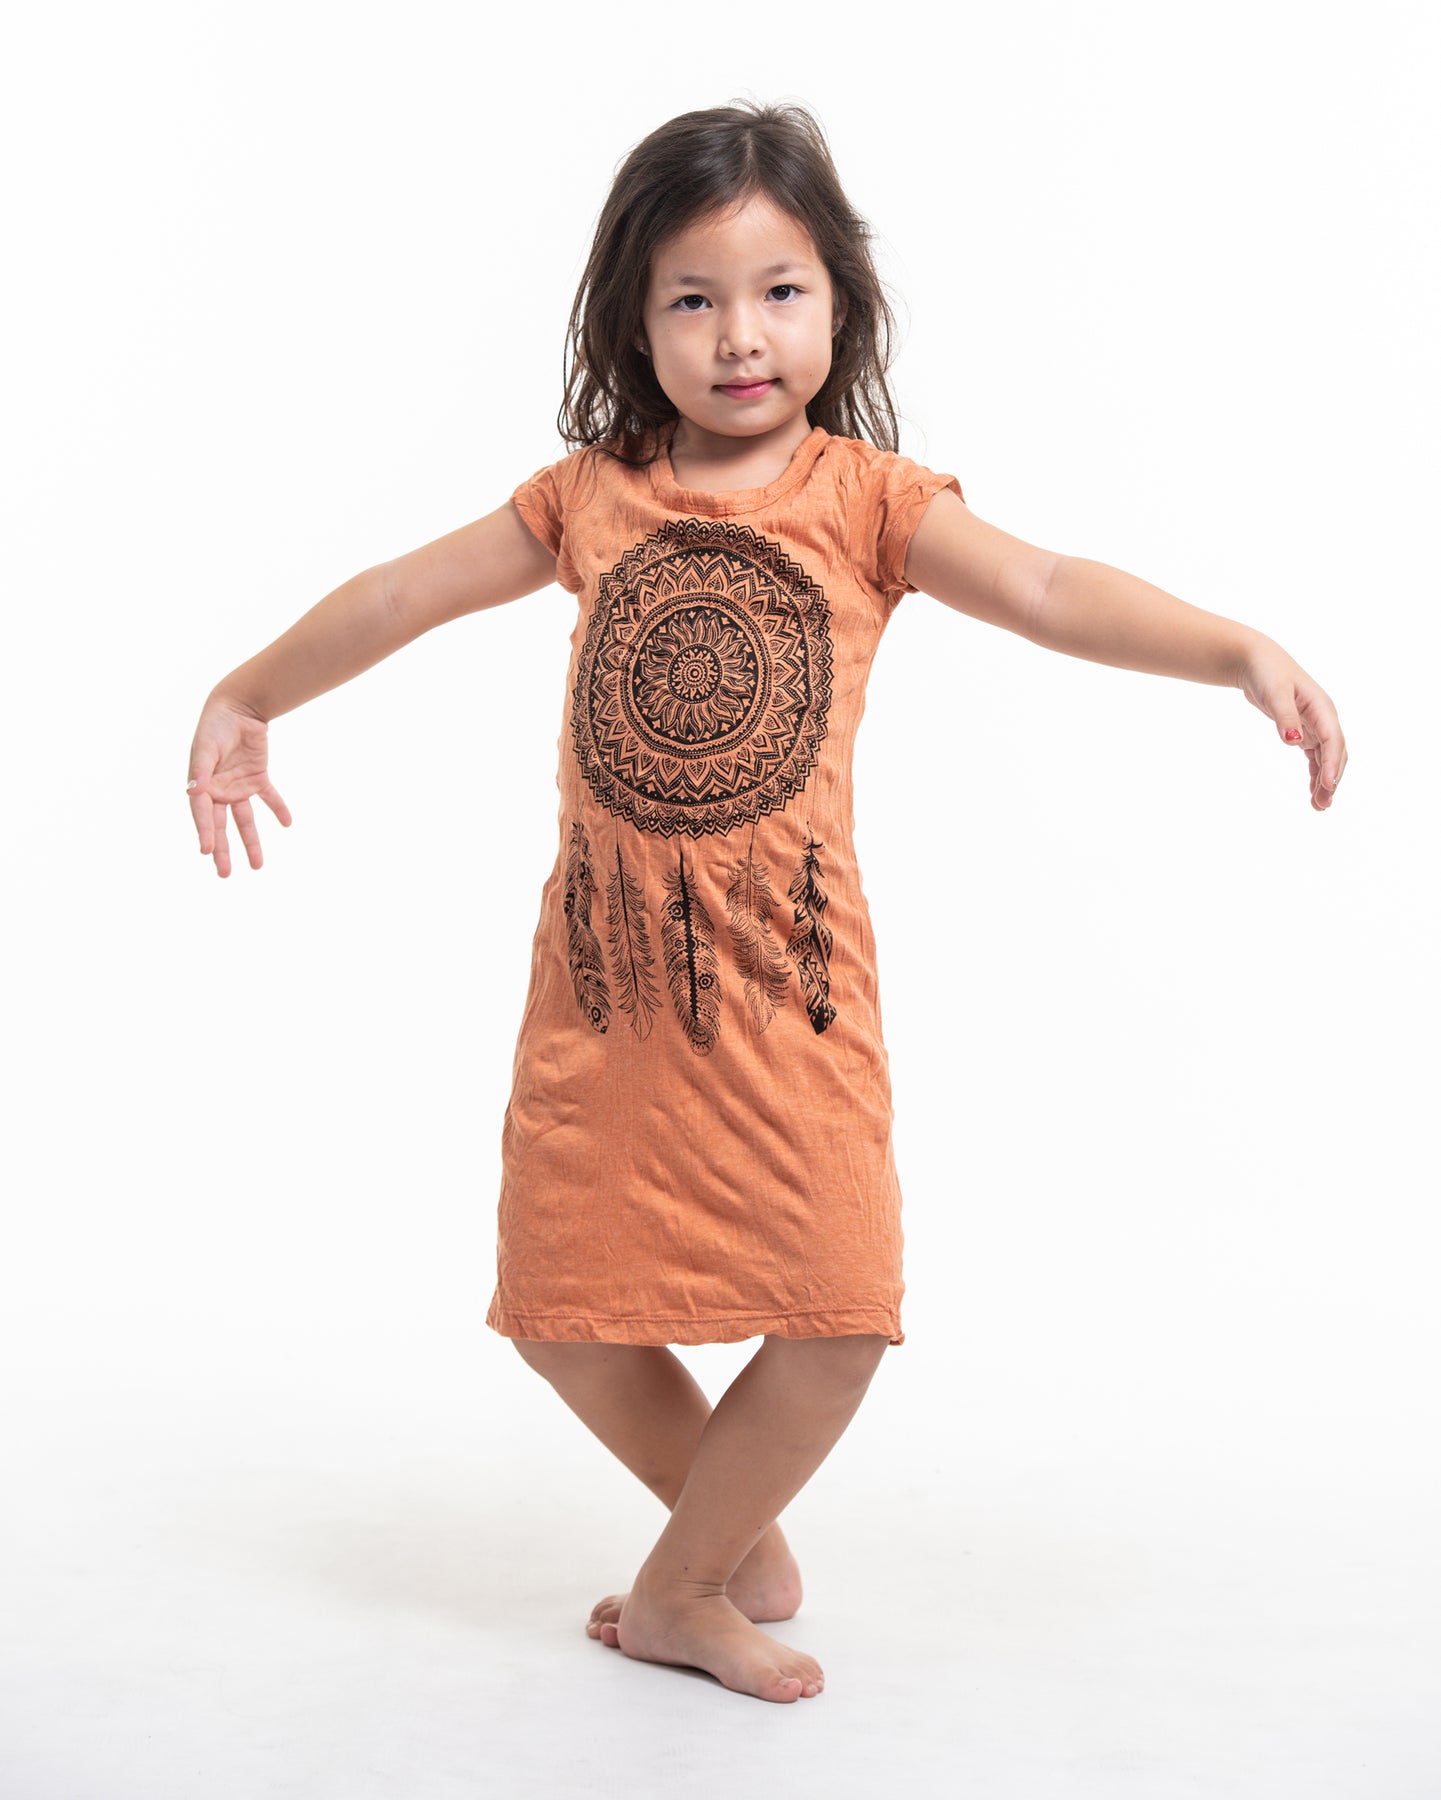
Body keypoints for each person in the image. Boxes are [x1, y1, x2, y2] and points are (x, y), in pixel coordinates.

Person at [185, 100, 1347, 1707]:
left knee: (838, 1316)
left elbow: (1046, 588)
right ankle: (730, 1545)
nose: (740, 335)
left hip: (789, 1001)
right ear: (632, 321)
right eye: (693, 298)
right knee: (563, 1309)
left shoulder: (870, 500)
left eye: (779, 291)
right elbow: (401, 592)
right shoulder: (586, 496)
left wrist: (1235, 651)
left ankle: (680, 1591)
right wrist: (248, 692)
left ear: (839, 303)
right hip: (605, 1001)